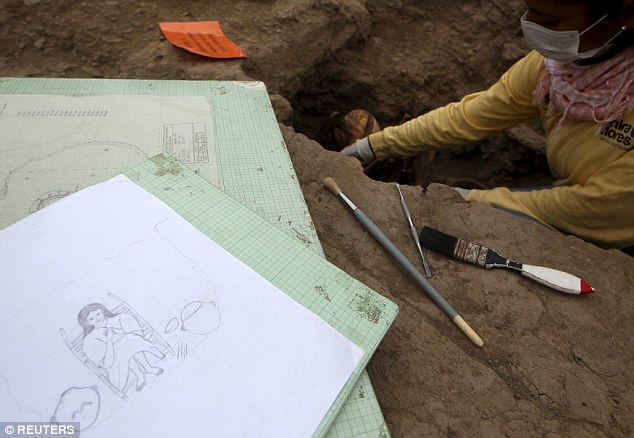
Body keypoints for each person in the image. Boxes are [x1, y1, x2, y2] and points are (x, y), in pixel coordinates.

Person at [342, 0, 633, 250]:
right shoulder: (555, 68)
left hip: (609, 228)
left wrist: (470, 200)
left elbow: (594, 208)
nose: (530, 24)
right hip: (574, 194)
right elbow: (471, 116)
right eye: (529, 11)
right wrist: (373, 146)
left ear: (627, 14)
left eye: (548, 19)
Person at [78, 303, 164, 393]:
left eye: (98, 314)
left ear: (102, 311)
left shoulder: (120, 319)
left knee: (129, 342)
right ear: (87, 323)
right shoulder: (90, 340)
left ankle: (147, 368)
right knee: (123, 347)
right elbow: (107, 364)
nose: (97, 319)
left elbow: (138, 336)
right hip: (115, 365)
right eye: (91, 319)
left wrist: (120, 336)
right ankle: (140, 374)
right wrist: (110, 339)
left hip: (132, 345)